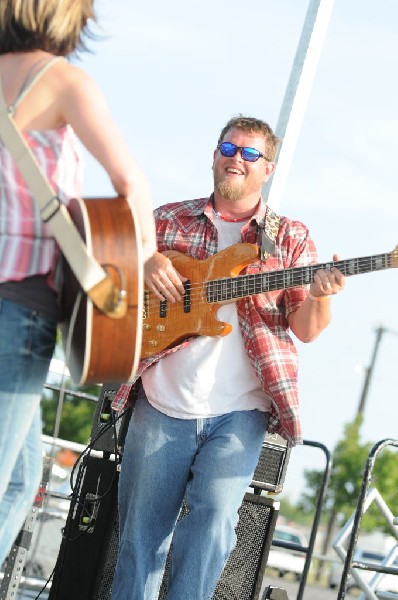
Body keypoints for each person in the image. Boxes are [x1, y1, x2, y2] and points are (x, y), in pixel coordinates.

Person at [111, 115, 345, 600]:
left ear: (268, 168)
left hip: (241, 410)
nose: (236, 158)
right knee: (140, 539)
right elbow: (110, 267)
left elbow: (306, 328)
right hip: (162, 400)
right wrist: (147, 260)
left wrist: (322, 294)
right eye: (229, 148)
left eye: (250, 153)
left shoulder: (289, 237)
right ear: (215, 155)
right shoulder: (167, 219)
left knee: (214, 526)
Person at [0, 0, 157, 569]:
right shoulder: (63, 81)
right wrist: (143, 260)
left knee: (21, 482)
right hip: (19, 303)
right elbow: (127, 180)